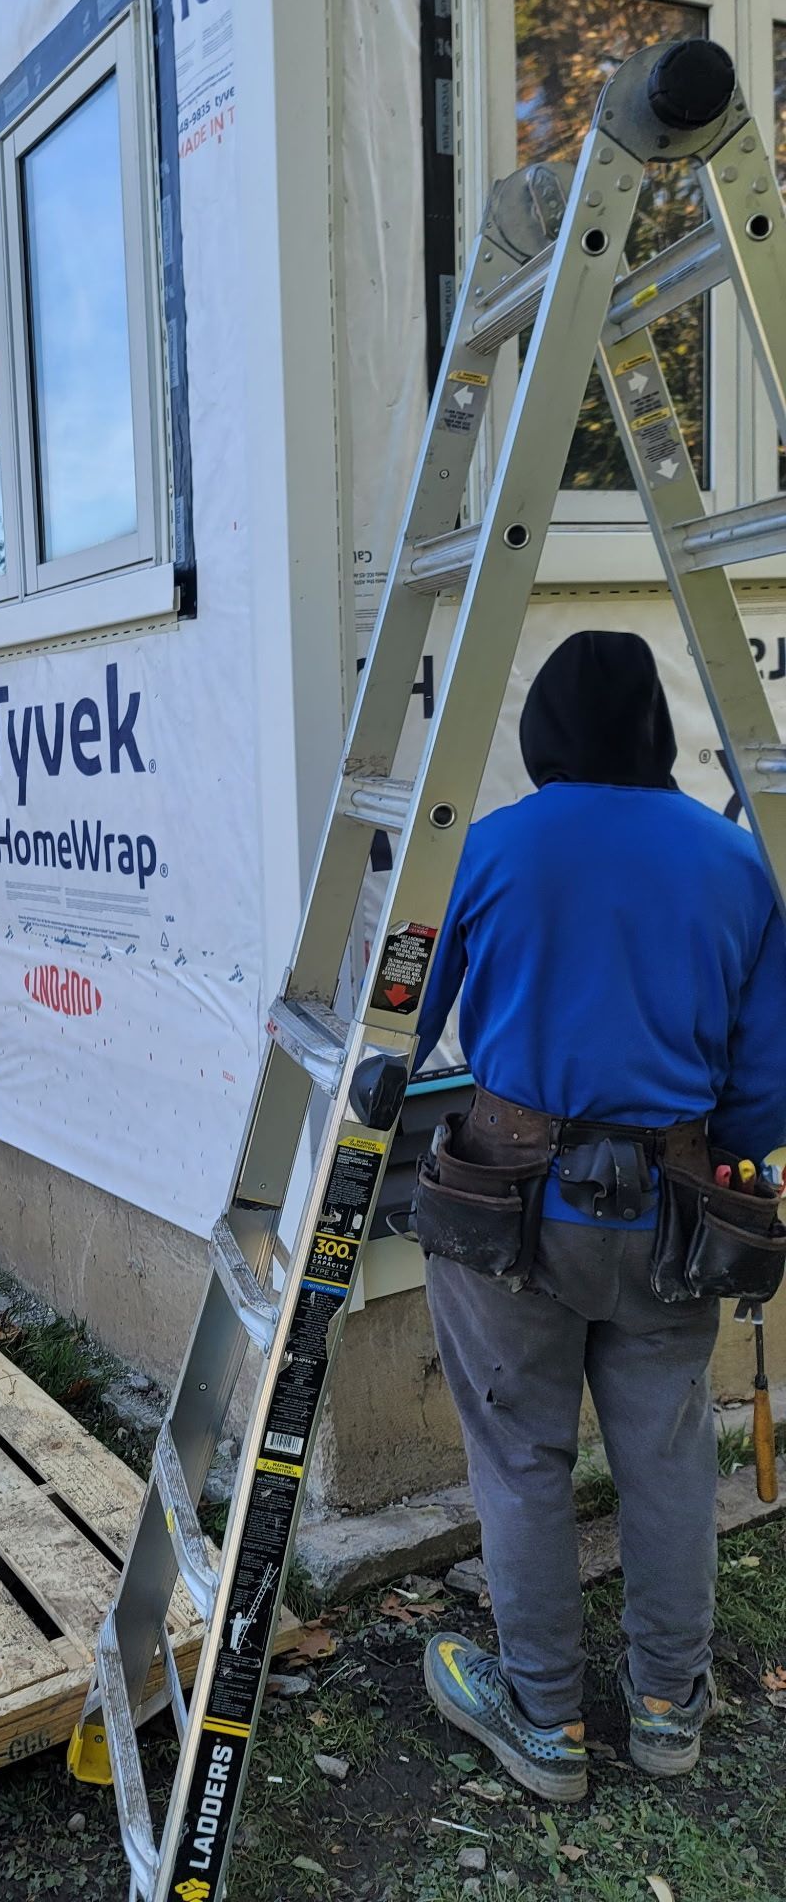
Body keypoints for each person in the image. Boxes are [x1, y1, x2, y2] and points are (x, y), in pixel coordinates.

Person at [410, 630, 786, 1802]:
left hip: (506, 1202)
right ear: (654, 734)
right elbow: (767, 1083)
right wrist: (713, 1148)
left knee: (523, 1455)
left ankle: (545, 1718)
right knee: (668, 1454)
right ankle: (669, 1705)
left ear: (545, 734)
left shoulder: (491, 846)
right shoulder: (737, 862)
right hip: (674, 1210)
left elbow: (401, 1022)